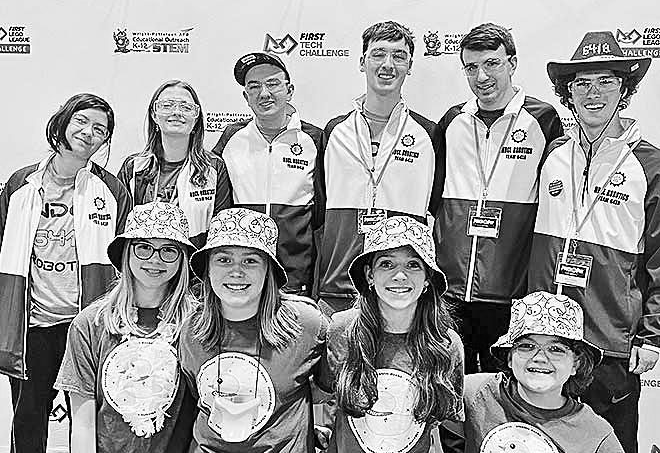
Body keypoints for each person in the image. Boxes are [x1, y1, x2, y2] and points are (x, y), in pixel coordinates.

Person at [528, 30, 660, 453]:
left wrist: (652, 335)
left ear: (625, 90)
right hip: (547, 339)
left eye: (606, 81)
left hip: (610, 341)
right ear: (568, 93)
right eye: (582, 83)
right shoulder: (553, 153)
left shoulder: (649, 164)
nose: (593, 92)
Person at [0, 93, 131, 453]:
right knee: (29, 412)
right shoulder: (20, 183)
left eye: (100, 129)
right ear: (62, 123)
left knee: (87, 412)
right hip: (33, 320)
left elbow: (124, 257)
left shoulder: (111, 189)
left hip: (86, 324)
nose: (89, 133)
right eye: (82, 122)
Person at [171, 207, 328, 453]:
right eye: (224, 259)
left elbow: (326, 388)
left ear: (269, 269)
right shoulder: (190, 330)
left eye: (250, 260)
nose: (236, 271)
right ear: (208, 268)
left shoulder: (306, 325)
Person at [434, 22, 564, 375]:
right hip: (451, 290)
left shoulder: (542, 119)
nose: (481, 76)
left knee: (503, 390)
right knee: (450, 387)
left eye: (491, 63)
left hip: (511, 291)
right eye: (471, 67)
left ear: (512, 63)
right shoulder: (452, 121)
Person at [55, 201, 197, 453]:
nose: (155, 259)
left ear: (182, 258)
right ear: (126, 252)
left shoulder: (198, 323)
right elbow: (83, 422)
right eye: (144, 247)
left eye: (169, 250)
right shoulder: (90, 324)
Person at [318, 216, 464, 453]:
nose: (400, 276)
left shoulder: (446, 345)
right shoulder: (342, 330)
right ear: (369, 275)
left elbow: (453, 425)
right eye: (387, 264)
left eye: (413, 265)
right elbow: (323, 395)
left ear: (427, 279)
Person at [460, 291, 641, 453]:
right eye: (527, 346)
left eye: (556, 349)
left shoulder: (593, 431)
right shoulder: (477, 392)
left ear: (576, 363)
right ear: (509, 357)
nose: (539, 358)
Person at [316, 20, 442, 316]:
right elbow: (319, 215)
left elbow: (436, 211)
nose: (388, 64)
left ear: (410, 66)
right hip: (338, 287)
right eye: (378, 54)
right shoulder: (334, 131)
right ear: (362, 62)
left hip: (400, 291)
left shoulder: (428, 134)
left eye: (399, 56)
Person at [213, 53, 323, 295]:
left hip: (295, 277)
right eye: (254, 87)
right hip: (242, 275)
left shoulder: (314, 139)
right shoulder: (231, 138)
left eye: (272, 84)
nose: (264, 93)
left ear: (289, 90)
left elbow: (322, 214)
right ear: (246, 97)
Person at [118, 79, 232, 248]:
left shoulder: (214, 168)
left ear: (196, 119)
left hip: (193, 261)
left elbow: (220, 232)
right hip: (145, 259)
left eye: (186, 107)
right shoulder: (133, 167)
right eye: (167, 105)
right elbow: (120, 227)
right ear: (154, 115)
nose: (177, 112)